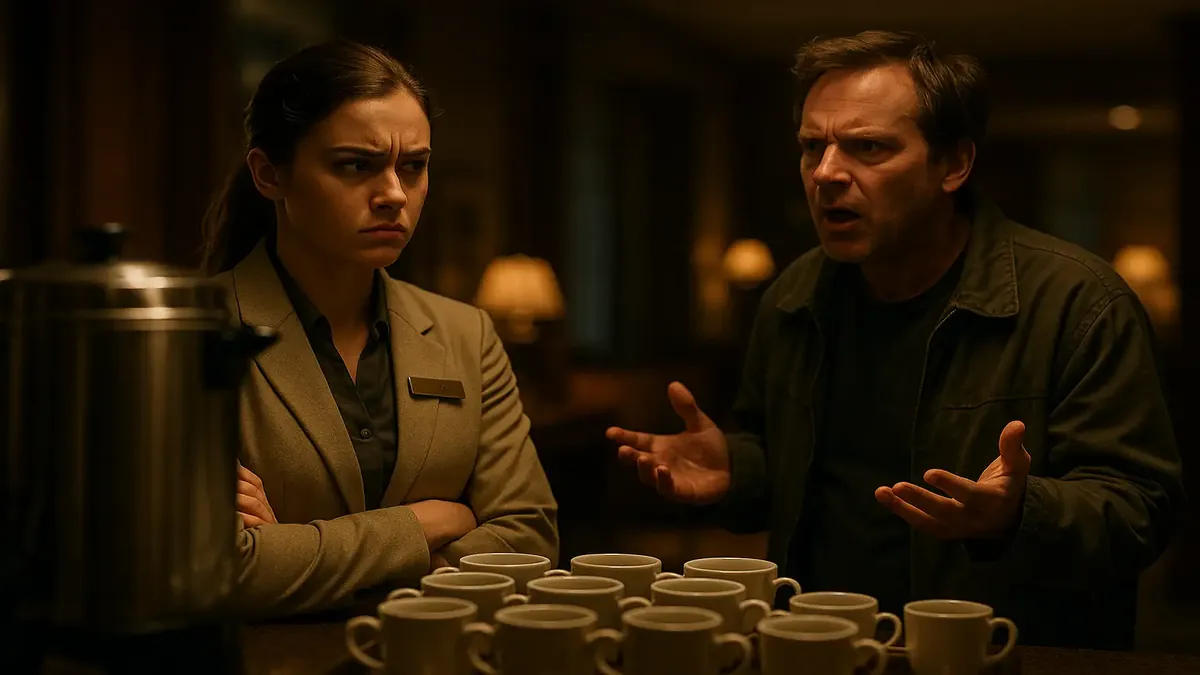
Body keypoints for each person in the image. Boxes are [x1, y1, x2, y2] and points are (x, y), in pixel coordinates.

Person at [608, 30, 1185, 649]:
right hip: (820, 642)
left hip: (994, 652)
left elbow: (1141, 511)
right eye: (811, 147)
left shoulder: (1079, 301)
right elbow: (786, 468)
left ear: (953, 165)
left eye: (868, 148)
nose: (827, 173)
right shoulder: (796, 294)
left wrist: (1019, 512)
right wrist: (738, 469)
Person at [201, 40, 558, 617]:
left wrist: (298, 559)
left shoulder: (465, 333)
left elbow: (529, 540)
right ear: (269, 174)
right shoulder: (192, 333)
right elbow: (221, 566)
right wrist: (430, 521)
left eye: (413, 166)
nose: (394, 194)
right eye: (355, 165)